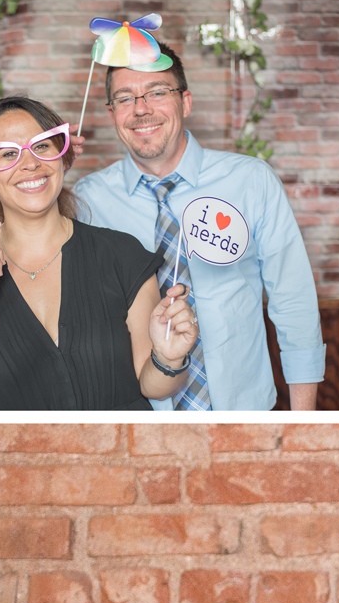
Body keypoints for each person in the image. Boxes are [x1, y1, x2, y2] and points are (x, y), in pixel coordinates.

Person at [74, 43, 325, 412]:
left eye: (158, 92)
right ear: (112, 114)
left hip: (244, 411)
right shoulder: (87, 200)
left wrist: (302, 423)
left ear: (185, 102)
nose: (141, 108)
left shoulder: (251, 181)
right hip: (137, 419)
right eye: (125, 98)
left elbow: (294, 302)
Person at [0, 96, 196, 412]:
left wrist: (169, 358)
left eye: (42, 146)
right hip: (10, 460)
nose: (30, 163)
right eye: (8, 153)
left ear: (62, 157)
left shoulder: (121, 254)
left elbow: (153, 385)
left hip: (123, 456)